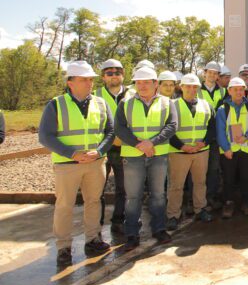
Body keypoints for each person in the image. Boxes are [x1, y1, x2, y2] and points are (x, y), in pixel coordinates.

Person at [39, 61, 114, 266]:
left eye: (90, 79)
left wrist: (99, 151)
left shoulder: (101, 103)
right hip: (67, 165)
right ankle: (63, 247)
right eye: (84, 79)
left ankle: (93, 239)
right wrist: (72, 154)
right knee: (64, 206)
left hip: (95, 163)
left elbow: (110, 131)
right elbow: (45, 137)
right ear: (70, 82)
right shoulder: (56, 104)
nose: (89, 83)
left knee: (94, 201)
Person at [115, 66, 177, 251]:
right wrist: (139, 144)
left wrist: (152, 143)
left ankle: (159, 229)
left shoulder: (167, 103)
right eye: (138, 82)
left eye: (146, 82)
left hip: (158, 155)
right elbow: (119, 128)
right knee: (133, 196)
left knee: (158, 194)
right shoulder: (125, 103)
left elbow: (172, 126)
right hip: (133, 156)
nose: (142, 86)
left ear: (155, 84)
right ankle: (132, 234)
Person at [166, 74, 215, 230]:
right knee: (176, 185)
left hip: (201, 151)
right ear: (181, 87)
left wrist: (204, 142)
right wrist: (181, 146)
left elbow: (212, 127)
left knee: (200, 183)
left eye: (195, 87)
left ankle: (200, 209)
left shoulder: (206, 105)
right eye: (188, 86)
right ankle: (173, 215)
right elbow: (167, 130)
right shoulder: (172, 105)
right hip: (179, 153)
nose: (191, 89)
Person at [94, 58, 132, 236]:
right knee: (97, 190)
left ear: (123, 75)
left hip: (125, 148)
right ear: (103, 77)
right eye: (109, 73)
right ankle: (96, 225)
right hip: (102, 149)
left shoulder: (133, 94)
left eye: (117, 72)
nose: (114, 76)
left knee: (123, 188)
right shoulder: (95, 95)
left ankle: (118, 220)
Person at [217, 77, 248, 218]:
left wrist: (247, 136)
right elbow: (220, 131)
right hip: (229, 151)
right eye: (235, 90)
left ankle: (247, 203)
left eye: (241, 89)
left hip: (247, 149)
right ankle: (228, 204)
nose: (239, 92)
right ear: (229, 91)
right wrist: (226, 149)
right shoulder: (223, 109)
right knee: (229, 179)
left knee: (246, 178)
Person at [199, 61, 225, 209]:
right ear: (205, 73)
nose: (212, 75)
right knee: (198, 170)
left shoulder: (223, 91)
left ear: (218, 76)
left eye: (215, 73)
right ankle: (196, 200)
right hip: (201, 135)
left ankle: (210, 197)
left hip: (216, 135)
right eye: (210, 72)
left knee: (214, 168)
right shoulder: (197, 90)